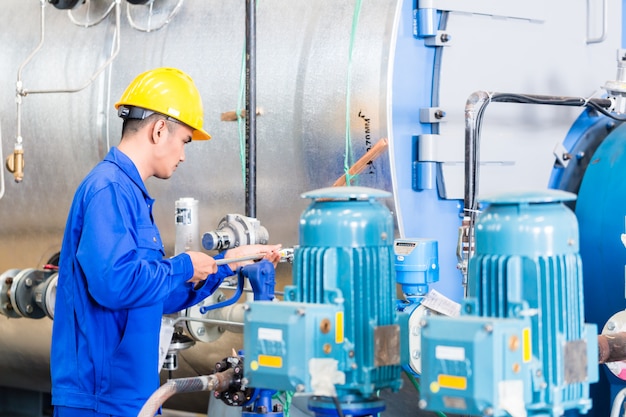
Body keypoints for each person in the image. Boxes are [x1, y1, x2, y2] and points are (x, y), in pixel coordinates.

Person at [50, 67, 281, 417]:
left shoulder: (130, 195)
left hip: (134, 396)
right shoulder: (108, 189)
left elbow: (155, 292)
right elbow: (114, 284)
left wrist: (227, 264)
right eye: (185, 141)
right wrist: (186, 264)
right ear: (160, 130)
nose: (184, 155)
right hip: (100, 401)